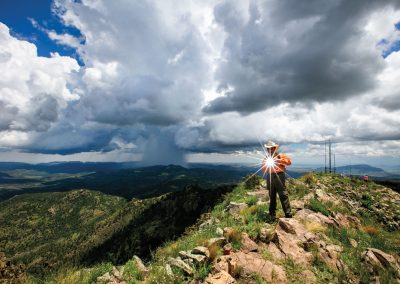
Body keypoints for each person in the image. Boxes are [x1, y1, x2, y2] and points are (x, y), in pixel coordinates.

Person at [261, 141, 292, 220]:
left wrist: (279, 161)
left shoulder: (280, 156)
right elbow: (263, 170)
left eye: (272, 148)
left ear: (275, 148)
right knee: (272, 195)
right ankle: (272, 215)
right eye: (268, 149)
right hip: (270, 177)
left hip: (279, 175)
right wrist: (265, 165)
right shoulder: (266, 158)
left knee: (283, 195)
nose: (270, 150)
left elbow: (289, 162)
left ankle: (288, 214)